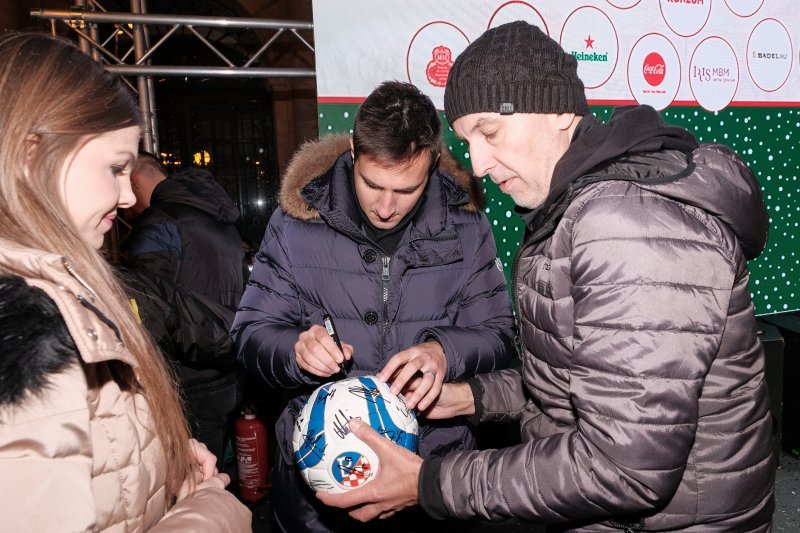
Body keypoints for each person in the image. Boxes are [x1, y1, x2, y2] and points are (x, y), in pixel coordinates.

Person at [318, 21, 775, 531]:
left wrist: (430, 482)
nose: (480, 165)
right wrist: (470, 397)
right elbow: (577, 383)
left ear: (560, 112)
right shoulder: (580, 209)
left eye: (490, 132)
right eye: (468, 142)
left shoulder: (626, 224)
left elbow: (624, 468)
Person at [232, 80, 516, 531]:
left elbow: (501, 335)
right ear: (352, 150)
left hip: (432, 477)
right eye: (372, 184)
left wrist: (446, 351)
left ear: (432, 161)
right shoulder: (296, 221)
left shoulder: (466, 224)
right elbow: (249, 333)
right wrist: (295, 351)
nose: (386, 207)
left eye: (406, 190)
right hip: (318, 491)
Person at [0, 32, 250, 531]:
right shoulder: (26, 331)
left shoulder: (66, 287)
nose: (128, 197)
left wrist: (164, 458)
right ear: (31, 155)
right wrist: (212, 512)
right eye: (115, 168)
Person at [125, 155, 244, 468]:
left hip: (185, 378)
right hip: (228, 369)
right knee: (215, 472)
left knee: (190, 480)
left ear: (135, 181)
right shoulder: (220, 219)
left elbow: (149, 305)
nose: (123, 201)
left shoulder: (158, 221)